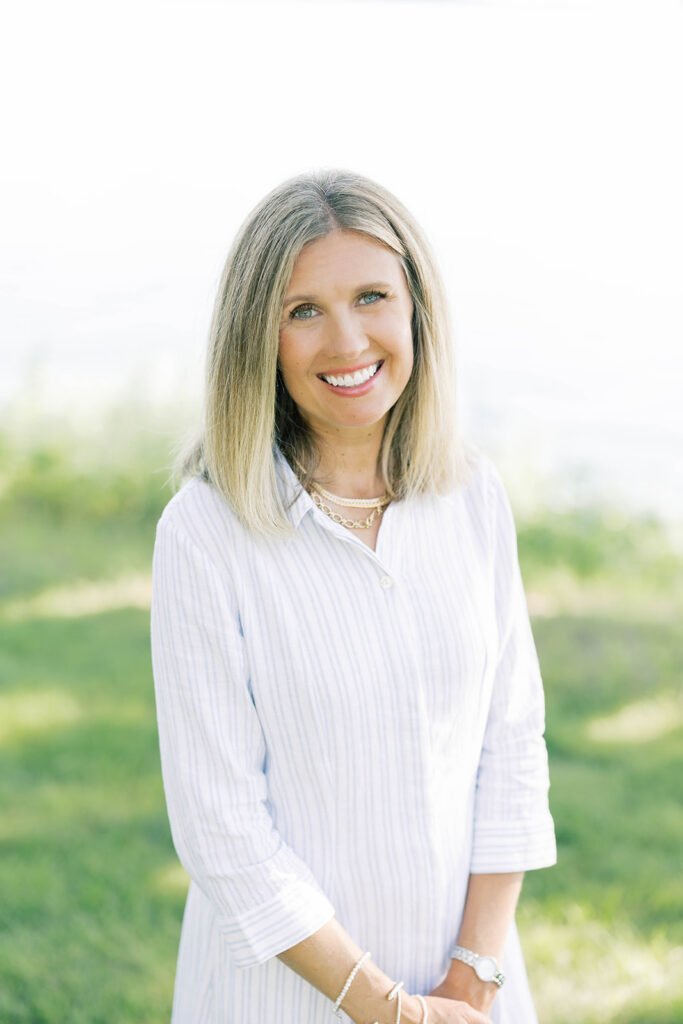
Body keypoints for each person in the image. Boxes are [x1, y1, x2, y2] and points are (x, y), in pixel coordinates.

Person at [150, 169, 557, 1024]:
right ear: (256, 339)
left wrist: (471, 980)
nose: (346, 340)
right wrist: (386, 1010)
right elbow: (222, 827)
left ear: (416, 309)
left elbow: (511, 746)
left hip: (472, 984)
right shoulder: (204, 533)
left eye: (372, 296)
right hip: (280, 995)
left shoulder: (472, 495)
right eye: (303, 311)